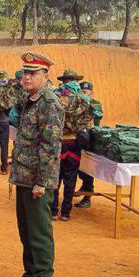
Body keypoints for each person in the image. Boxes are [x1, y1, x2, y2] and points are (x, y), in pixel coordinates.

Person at [5, 52, 64, 277]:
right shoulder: (30, 100)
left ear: (45, 76)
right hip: (24, 177)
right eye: (25, 72)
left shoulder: (50, 104)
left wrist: (42, 182)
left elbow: (50, 147)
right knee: (26, 232)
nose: (26, 77)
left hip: (38, 181)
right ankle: (29, 276)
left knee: (39, 234)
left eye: (33, 73)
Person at [50, 68, 93, 221]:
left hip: (57, 143)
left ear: (63, 81)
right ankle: (66, 213)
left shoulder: (54, 95)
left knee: (55, 178)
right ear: (76, 81)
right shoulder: (82, 97)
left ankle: (54, 211)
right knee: (70, 178)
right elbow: (88, 122)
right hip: (74, 143)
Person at [74, 80, 103, 209]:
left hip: (90, 139)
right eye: (82, 91)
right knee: (79, 167)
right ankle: (85, 187)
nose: (84, 93)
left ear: (92, 93)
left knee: (88, 170)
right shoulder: (77, 103)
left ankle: (87, 197)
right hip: (78, 138)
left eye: (86, 91)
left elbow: (97, 117)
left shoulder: (96, 104)